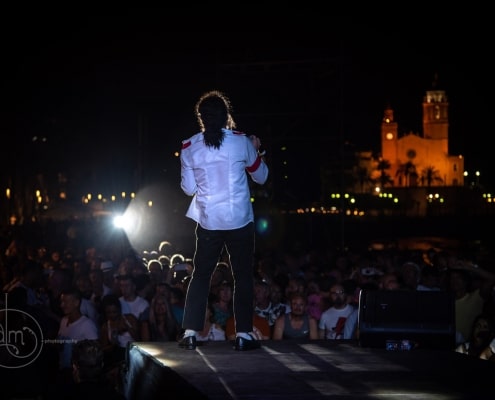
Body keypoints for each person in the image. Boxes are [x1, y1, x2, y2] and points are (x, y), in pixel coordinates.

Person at [178, 90, 269, 351]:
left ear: (201, 118)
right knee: (243, 277)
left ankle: (190, 332)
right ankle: (243, 334)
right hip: (239, 220)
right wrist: (257, 150)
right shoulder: (242, 143)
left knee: (201, 275)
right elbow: (261, 176)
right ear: (226, 116)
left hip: (209, 221)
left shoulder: (189, 147)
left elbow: (188, 189)